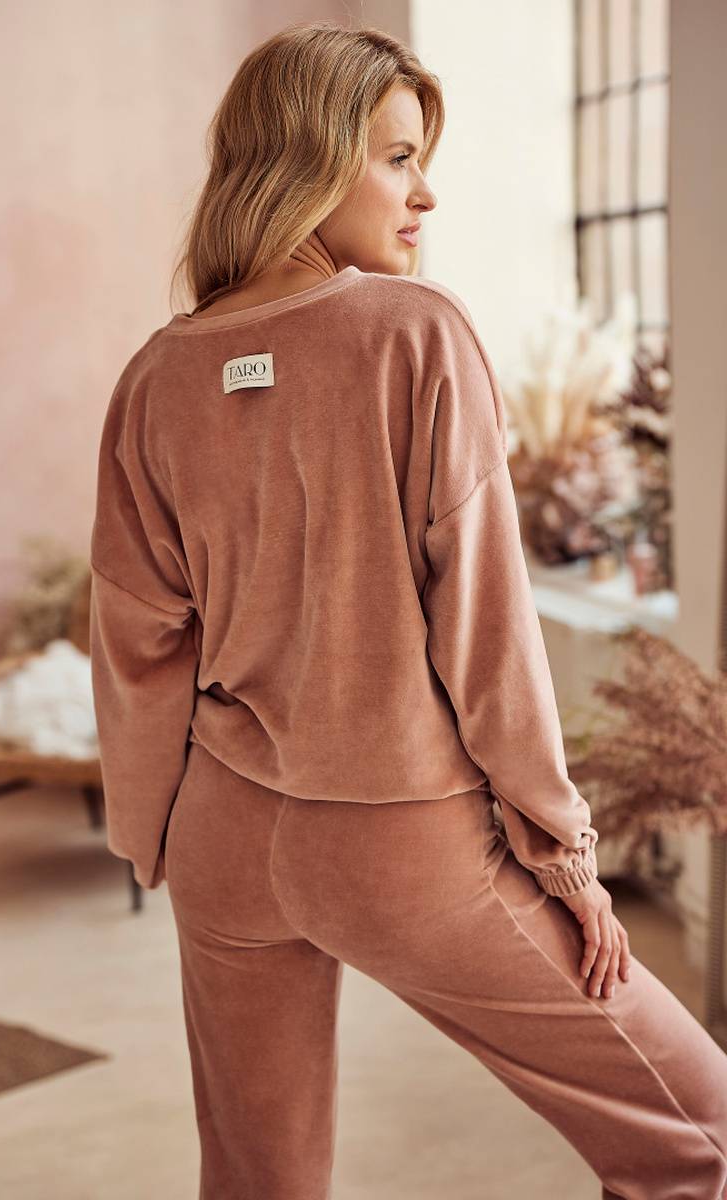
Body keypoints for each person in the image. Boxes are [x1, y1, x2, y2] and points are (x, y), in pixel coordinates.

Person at [88, 20, 727, 1200]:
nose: (423, 192)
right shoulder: (415, 332)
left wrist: (150, 837)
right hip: (403, 842)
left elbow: (135, 645)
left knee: (256, 1180)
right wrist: (563, 856)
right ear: (306, 160)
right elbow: (486, 633)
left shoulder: (154, 376)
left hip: (221, 837)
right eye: (394, 158)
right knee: (700, 1135)